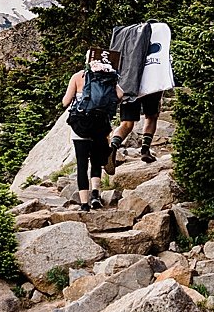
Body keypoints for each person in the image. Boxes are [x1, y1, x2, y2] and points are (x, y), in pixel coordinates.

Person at [62, 47, 122, 210]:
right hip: (100, 125)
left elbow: (66, 101)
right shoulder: (109, 78)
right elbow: (120, 95)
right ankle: (96, 196)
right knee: (96, 161)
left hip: (81, 125)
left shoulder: (78, 76)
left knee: (82, 163)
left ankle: (84, 204)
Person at [108, 21, 160, 164]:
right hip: (151, 85)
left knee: (126, 123)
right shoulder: (158, 46)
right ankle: (145, 150)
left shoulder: (128, 45)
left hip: (128, 84)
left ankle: (113, 148)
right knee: (151, 116)